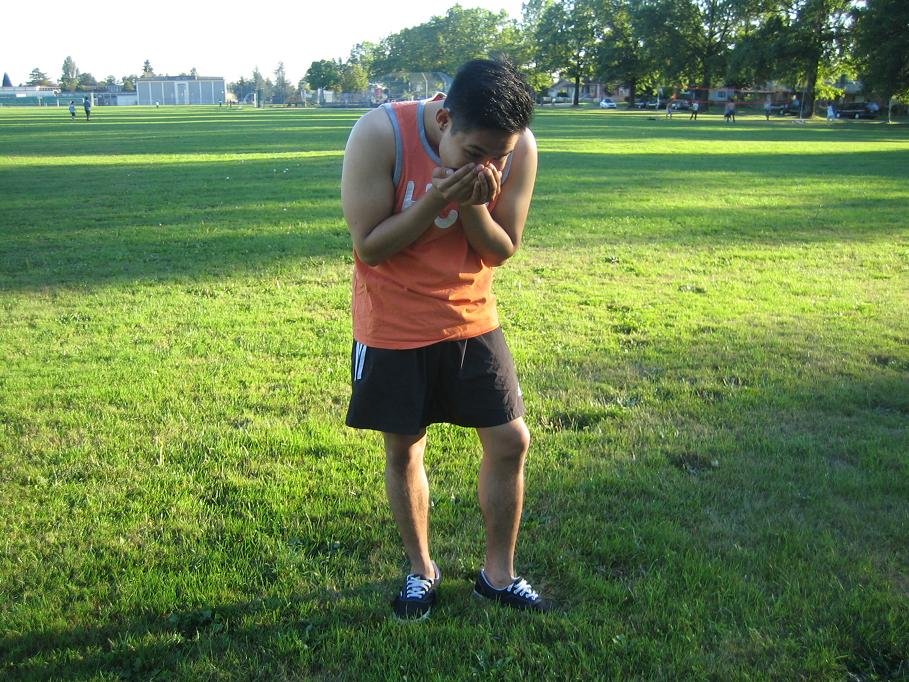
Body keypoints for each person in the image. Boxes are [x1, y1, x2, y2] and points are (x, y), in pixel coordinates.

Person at [341, 59, 549, 620]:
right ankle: (420, 572)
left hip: (471, 317)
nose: (491, 163)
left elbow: (501, 249)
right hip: (393, 322)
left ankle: (497, 576)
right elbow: (371, 247)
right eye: (476, 152)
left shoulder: (517, 145)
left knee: (511, 440)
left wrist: (473, 203)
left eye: (499, 155)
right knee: (404, 446)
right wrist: (435, 201)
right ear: (444, 117)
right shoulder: (379, 133)